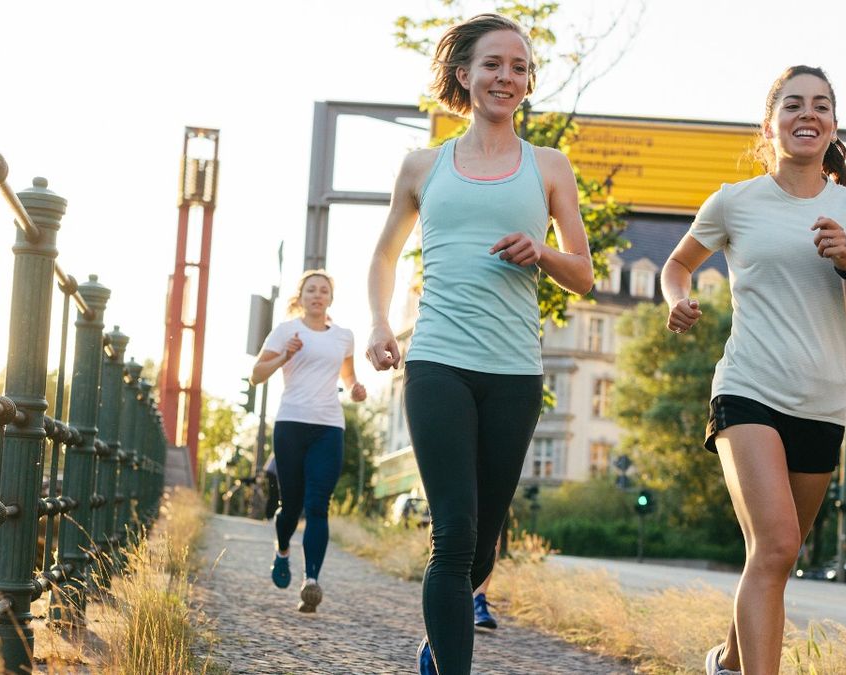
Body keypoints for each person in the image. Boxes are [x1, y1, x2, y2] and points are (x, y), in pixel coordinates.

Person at [366, 13, 593, 674]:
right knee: (455, 532)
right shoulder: (422, 165)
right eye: (494, 64)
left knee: (485, 543)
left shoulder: (549, 167)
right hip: (437, 360)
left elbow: (582, 273)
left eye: (519, 67)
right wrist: (381, 323)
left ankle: (440, 643)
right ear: (464, 75)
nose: (507, 76)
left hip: (515, 371)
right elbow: (384, 256)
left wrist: (542, 251)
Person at [661, 65, 846, 675]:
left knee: (775, 558)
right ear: (770, 124)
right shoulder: (735, 201)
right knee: (775, 545)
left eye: (821, 106)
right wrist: (677, 299)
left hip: (820, 403)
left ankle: (727, 661)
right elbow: (676, 265)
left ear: (833, 127)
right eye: (793, 105)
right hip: (748, 389)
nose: (808, 115)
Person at [251, 269, 366, 613]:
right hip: (291, 424)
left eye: (324, 291)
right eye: (311, 290)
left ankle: (311, 581)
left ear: (331, 298)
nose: (317, 295)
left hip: (329, 427)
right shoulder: (286, 331)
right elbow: (256, 375)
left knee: (318, 504)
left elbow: (349, 379)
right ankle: (282, 548)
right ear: (300, 297)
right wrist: (285, 355)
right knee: (292, 505)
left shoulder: (344, 336)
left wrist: (358, 390)